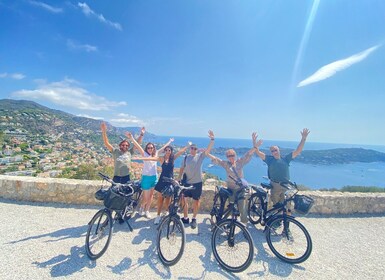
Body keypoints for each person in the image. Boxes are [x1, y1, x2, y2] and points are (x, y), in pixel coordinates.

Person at [134, 142, 192, 225]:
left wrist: (187, 146)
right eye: (166, 150)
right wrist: (140, 158)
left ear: (171, 151)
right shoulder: (161, 159)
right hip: (162, 180)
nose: (168, 152)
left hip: (170, 181)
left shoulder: (173, 158)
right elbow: (151, 159)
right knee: (160, 199)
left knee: (168, 199)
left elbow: (180, 152)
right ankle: (158, 216)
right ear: (164, 151)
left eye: (169, 150)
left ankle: (165, 212)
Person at [207, 132, 258, 224]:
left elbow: (249, 153)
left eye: (232, 155)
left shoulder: (240, 162)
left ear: (235, 155)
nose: (230, 157)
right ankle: (227, 223)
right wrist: (212, 140)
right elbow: (214, 158)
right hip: (230, 189)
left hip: (240, 189)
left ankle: (244, 225)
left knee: (242, 208)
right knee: (231, 207)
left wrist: (254, 142)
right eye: (228, 156)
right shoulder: (226, 164)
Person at [253, 128, 310, 208]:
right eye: (272, 151)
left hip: (286, 186)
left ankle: (283, 219)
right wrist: (254, 142)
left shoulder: (286, 159)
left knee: (286, 206)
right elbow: (257, 152)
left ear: (279, 150)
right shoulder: (269, 160)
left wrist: (303, 138)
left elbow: (298, 150)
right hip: (275, 185)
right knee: (277, 206)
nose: (274, 152)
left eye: (275, 150)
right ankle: (276, 219)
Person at [127, 133, 174, 219]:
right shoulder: (144, 154)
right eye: (148, 147)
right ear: (146, 148)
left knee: (151, 196)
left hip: (154, 177)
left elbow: (164, 148)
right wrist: (132, 138)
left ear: (153, 148)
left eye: (151, 147)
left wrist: (169, 141)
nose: (150, 149)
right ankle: (142, 206)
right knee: (146, 197)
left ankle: (147, 210)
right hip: (146, 178)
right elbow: (137, 145)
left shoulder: (156, 154)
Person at [178, 130, 215, 229]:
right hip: (187, 183)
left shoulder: (200, 156)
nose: (193, 150)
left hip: (197, 184)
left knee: (196, 201)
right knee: (183, 199)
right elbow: (182, 168)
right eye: (192, 148)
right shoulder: (186, 158)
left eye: (195, 148)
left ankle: (194, 218)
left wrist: (212, 139)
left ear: (197, 150)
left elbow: (208, 150)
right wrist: (179, 177)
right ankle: (185, 218)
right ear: (190, 149)